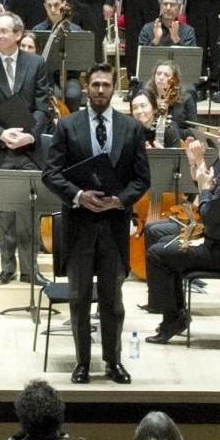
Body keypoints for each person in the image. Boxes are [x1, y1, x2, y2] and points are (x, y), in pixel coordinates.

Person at [40, 66, 148, 384]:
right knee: (79, 297)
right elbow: (51, 173)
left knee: (113, 300)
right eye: (96, 85)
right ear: (86, 88)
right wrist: (77, 195)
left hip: (114, 225)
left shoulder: (130, 128)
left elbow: (142, 179)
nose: (100, 90)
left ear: (114, 89)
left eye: (106, 85)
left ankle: (113, 362)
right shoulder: (68, 125)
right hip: (80, 224)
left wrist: (119, 200)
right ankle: (83, 362)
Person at [146, 130, 220, 345]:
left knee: (156, 253)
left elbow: (207, 217)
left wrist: (205, 190)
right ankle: (175, 314)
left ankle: (173, 319)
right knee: (163, 246)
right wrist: (201, 174)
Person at [0, 13, 53, 286]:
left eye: (4, 31)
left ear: (18, 34)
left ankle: (30, 269)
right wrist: (1, 133)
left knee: (31, 210)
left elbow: (42, 106)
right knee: (4, 211)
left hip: (29, 148)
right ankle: (7, 267)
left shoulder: (36, 63)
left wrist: (30, 135)